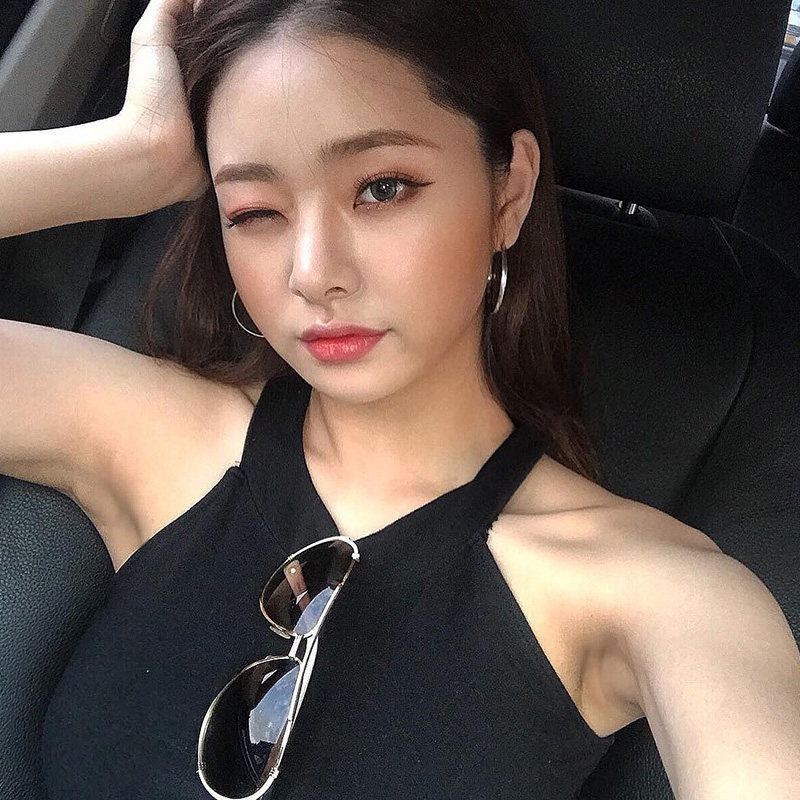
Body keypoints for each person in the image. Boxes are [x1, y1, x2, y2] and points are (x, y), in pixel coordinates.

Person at [1, 0, 798, 797]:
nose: (313, 273)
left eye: (382, 188)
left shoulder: (660, 593)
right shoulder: (149, 434)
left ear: (510, 192)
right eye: (255, 212)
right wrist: (132, 156)